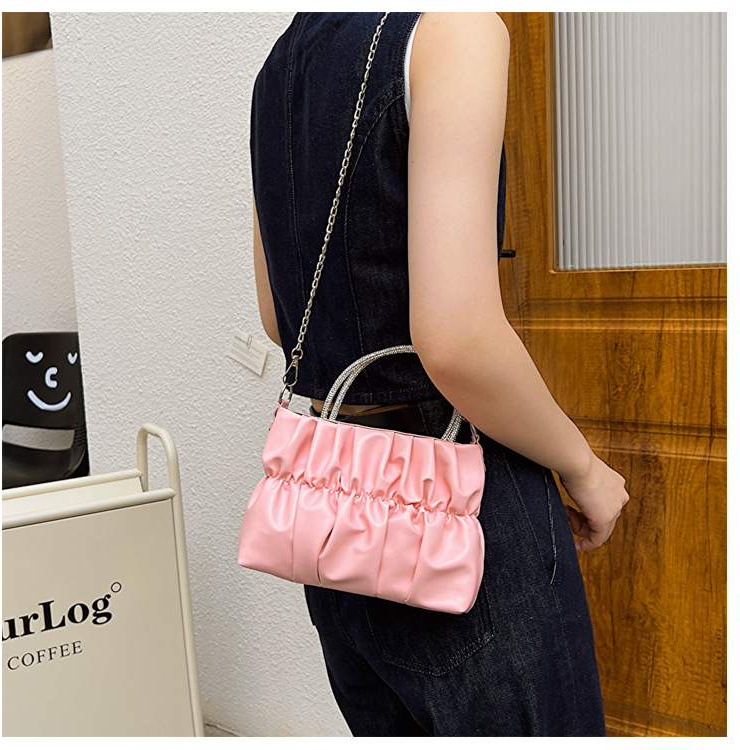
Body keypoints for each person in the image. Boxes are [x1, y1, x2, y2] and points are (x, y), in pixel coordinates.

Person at [250, 12, 629, 737]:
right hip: (454, 497)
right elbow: (457, 341)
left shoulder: (281, 64)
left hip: (332, 516)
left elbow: (279, 316)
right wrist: (583, 468)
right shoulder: (453, 29)